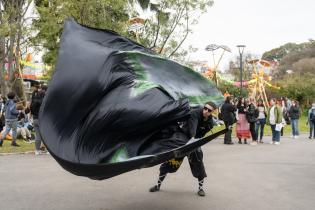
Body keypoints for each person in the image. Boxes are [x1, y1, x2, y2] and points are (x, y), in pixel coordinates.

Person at [149, 101, 217, 197]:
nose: (206, 111)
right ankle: (158, 185)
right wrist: (193, 138)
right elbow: (193, 127)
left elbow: (202, 134)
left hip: (194, 143)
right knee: (169, 163)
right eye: (205, 108)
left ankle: (201, 188)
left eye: (209, 110)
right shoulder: (195, 113)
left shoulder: (210, 122)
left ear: (212, 112)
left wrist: (197, 141)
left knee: (198, 162)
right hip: (184, 139)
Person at [30, 84, 47, 154]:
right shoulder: (44, 102)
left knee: (37, 135)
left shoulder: (34, 101)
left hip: (35, 119)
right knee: (45, 135)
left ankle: (37, 150)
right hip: (42, 119)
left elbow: (31, 110)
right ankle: (46, 150)